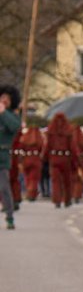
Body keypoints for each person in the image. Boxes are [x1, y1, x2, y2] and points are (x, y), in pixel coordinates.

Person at [44, 112, 79, 208]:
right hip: (65, 158)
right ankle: (67, 200)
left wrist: (44, 158)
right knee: (67, 180)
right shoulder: (68, 131)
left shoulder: (51, 131)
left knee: (55, 180)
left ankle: (57, 200)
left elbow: (48, 146)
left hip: (54, 157)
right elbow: (72, 147)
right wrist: (75, 160)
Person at [0, 85, 18, 230]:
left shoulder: (12, 116)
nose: (4, 100)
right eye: (2, 97)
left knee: (4, 188)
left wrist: (3, 113)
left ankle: (10, 217)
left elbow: (13, 127)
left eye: (7, 98)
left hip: (2, 156)